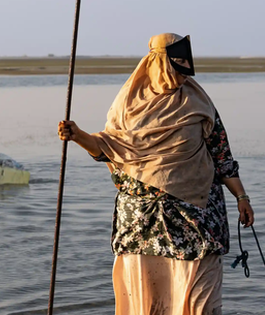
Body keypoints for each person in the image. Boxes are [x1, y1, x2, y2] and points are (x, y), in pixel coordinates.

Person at [57, 33, 254, 315]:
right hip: (143, 224)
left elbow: (221, 155)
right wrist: (77, 136)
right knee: (148, 303)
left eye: (188, 60)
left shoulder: (199, 102)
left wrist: (242, 197)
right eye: (179, 61)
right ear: (160, 62)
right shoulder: (128, 105)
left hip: (195, 220)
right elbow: (108, 148)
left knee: (202, 303)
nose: (186, 68)